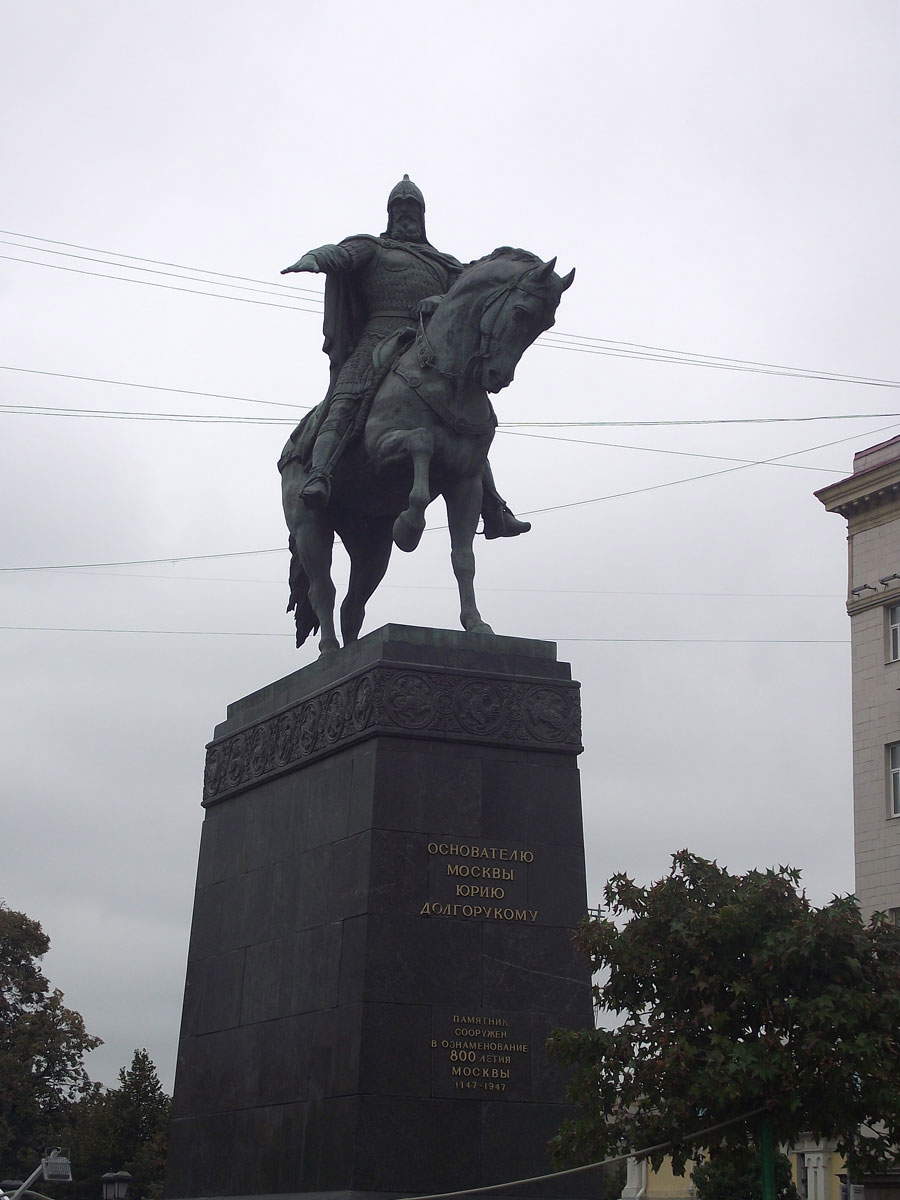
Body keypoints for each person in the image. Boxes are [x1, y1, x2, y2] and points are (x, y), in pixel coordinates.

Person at [280, 174, 530, 538]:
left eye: (412, 209)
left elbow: (470, 289)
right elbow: (343, 255)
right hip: (376, 338)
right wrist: (317, 257)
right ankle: (320, 474)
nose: (406, 215)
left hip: (426, 342)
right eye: (399, 209)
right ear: (390, 214)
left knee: (467, 420)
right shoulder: (373, 248)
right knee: (345, 397)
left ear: (423, 215)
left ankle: (493, 506)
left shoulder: (442, 263)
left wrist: (446, 299)